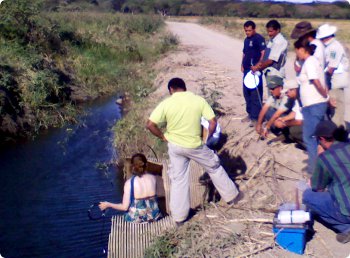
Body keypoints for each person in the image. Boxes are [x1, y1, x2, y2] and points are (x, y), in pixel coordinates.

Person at [146, 78, 239, 225]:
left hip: (175, 146)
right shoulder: (198, 100)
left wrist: (163, 136)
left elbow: (150, 125)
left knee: (178, 180)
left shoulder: (166, 103)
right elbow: (213, 122)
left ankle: (179, 218)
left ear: (171, 90)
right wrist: (207, 138)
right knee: (214, 167)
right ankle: (232, 197)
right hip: (195, 145)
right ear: (185, 87)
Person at [303, 120, 350, 244]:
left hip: (347, 210)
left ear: (322, 139)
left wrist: (320, 155)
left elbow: (317, 187)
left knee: (308, 196)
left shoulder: (326, 158)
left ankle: (346, 228)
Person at [294, 38, 328, 174]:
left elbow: (315, 81)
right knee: (314, 137)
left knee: (309, 137)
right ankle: (318, 166)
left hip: (314, 105)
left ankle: (315, 171)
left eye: (297, 52)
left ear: (302, 50)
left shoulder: (310, 62)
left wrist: (324, 94)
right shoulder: (310, 62)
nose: (297, 55)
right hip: (312, 105)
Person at [99, 153, 161, 223]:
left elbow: (124, 207)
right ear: (146, 164)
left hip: (138, 219)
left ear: (133, 166)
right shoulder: (153, 178)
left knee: (126, 216)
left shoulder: (129, 183)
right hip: (155, 216)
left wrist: (108, 204)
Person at [316, 24, 350, 128]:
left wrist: (321, 78)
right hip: (334, 80)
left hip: (335, 81)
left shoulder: (334, 47)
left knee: (336, 109)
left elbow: (331, 68)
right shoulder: (330, 46)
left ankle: (338, 133)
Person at [241, 20, 266, 126]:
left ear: (254, 29)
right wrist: (242, 64)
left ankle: (256, 117)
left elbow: (263, 53)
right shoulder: (246, 40)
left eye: (249, 30)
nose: (247, 32)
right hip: (247, 69)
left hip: (255, 70)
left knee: (256, 93)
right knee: (247, 93)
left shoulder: (259, 39)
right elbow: (244, 52)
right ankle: (250, 114)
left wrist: (258, 65)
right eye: (246, 30)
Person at [251, 19, 288, 86]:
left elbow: (270, 61)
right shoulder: (272, 40)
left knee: (275, 95)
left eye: (271, 31)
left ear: (278, 30)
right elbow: (265, 56)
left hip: (276, 74)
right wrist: (257, 65)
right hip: (269, 72)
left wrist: (258, 68)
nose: (269, 34)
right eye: (268, 31)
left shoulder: (279, 41)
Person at [273, 80, 303, 147]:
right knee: (283, 119)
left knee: (293, 130)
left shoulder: (303, 99)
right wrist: (283, 119)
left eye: (287, 92)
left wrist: (284, 124)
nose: (286, 94)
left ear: (294, 90)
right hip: (303, 122)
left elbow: (301, 122)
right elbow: (295, 112)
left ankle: (310, 146)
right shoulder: (297, 98)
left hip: (312, 125)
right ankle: (289, 137)